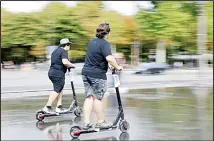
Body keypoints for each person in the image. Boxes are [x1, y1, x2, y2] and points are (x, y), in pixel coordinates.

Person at [81, 22, 123, 129]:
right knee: (98, 99)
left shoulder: (92, 42)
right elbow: (109, 57)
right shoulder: (105, 44)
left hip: (86, 73)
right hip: (97, 75)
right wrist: (117, 66)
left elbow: (97, 56)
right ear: (107, 33)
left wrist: (108, 64)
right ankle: (100, 121)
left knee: (89, 97)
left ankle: (86, 122)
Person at [42, 38, 76, 114]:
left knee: (59, 89)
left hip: (52, 72)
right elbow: (65, 62)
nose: (69, 46)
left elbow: (58, 61)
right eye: (69, 45)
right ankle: (47, 107)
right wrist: (72, 65)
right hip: (58, 73)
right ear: (66, 45)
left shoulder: (55, 51)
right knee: (57, 90)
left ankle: (59, 106)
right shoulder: (63, 51)